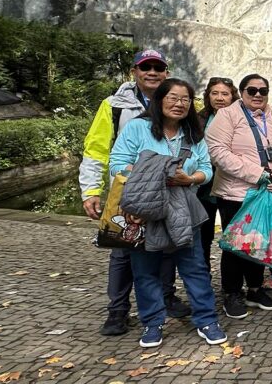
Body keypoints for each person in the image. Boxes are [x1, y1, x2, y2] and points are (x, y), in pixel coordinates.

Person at [108, 78, 227, 348]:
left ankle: (207, 319)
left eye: (185, 99)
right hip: (145, 210)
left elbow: (207, 169)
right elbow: (117, 164)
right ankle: (152, 322)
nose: (179, 104)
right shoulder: (138, 128)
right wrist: (152, 176)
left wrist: (191, 178)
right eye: (173, 97)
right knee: (145, 269)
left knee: (194, 268)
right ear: (159, 99)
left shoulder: (193, 134)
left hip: (184, 209)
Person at [78, 48, 186, 336]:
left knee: (165, 248)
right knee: (123, 250)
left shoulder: (177, 102)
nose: (152, 72)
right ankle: (118, 311)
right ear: (134, 71)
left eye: (158, 67)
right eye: (145, 67)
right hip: (127, 193)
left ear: (166, 71)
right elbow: (97, 149)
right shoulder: (114, 106)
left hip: (166, 191)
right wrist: (90, 189)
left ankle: (165, 297)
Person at [205, 74, 272, 319]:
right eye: (252, 90)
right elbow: (218, 151)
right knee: (237, 244)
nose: (258, 94)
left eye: (263, 90)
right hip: (236, 193)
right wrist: (257, 174)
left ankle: (255, 288)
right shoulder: (227, 116)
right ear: (242, 91)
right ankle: (232, 292)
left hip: (269, 191)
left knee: (261, 241)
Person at [196, 77, 239, 267]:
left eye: (224, 94)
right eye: (215, 93)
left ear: (232, 97)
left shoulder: (240, 118)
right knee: (203, 234)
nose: (220, 98)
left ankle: (231, 285)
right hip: (203, 184)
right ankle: (202, 278)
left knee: (232, 234)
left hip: (230, 183)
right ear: (208, 96)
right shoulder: (199, 119)